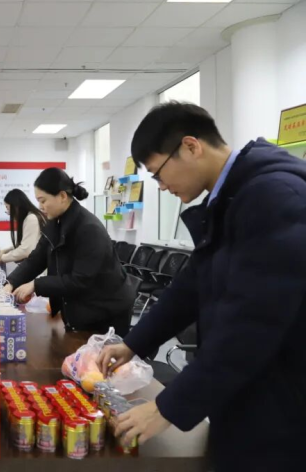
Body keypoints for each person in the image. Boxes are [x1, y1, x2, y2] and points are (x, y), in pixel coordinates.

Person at [97, 102, 306, 471]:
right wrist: (134, 343)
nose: (162, 187)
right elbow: (193, 283)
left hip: (282, 402)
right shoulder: (232, 197)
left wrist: (166, 408)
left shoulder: (274, 197)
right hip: (249, 390)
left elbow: (252, 324)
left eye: (159, 174)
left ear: (191, 146)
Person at [3, 168, 136, 336]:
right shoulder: (56, 222)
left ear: (62, 196)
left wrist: (36, 285)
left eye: (43, 201)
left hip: (104, 313)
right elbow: (36, 259)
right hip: (81, 309)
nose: (40, 207)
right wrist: (11, 282)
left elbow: (80, 280)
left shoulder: (88, 228)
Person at [0, 188, 46, 264]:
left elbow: (25, 250)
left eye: (8, 209)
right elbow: (26, 243)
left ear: (16, 207)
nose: (9, 213)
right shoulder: (32, 216)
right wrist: (6, 250)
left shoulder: (31, 218)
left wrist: (2, 258)